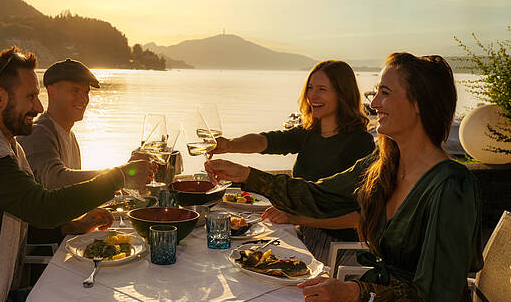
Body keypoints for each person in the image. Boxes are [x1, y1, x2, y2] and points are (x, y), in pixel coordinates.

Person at [205, 53, 482, 301]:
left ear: (419, 103)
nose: (373, 103)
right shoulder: (382, 164)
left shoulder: (451, 187)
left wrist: (354, 292)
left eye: (384, 92)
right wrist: (245, 174)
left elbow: (435, 294)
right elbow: (319, 195)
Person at [0, 47, 151, 302]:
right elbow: (43, 207)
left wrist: (72, 226)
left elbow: (20, 217)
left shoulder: (0, 144)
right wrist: (118, 177)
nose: (38, 107)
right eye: (30, 97)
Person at [213, 60, 375, 261]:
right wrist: (228, 145)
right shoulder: (310, 133)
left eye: (322, 89)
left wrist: (295, 217)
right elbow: (266, 141)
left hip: (338, 247)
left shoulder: (359, 142)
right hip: (304, 232)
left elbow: (357, 218)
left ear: (342, 94)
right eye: (310, 88)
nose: (312, 96)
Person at [19, 58, 149, 189]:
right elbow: (53, 180)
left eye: (86, 92)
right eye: (75, 91)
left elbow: (72, 193)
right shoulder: (37, 133)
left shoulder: (71, 137)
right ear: (52, 92)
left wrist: (129, 173)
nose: (83, 99)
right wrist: (120, 175)